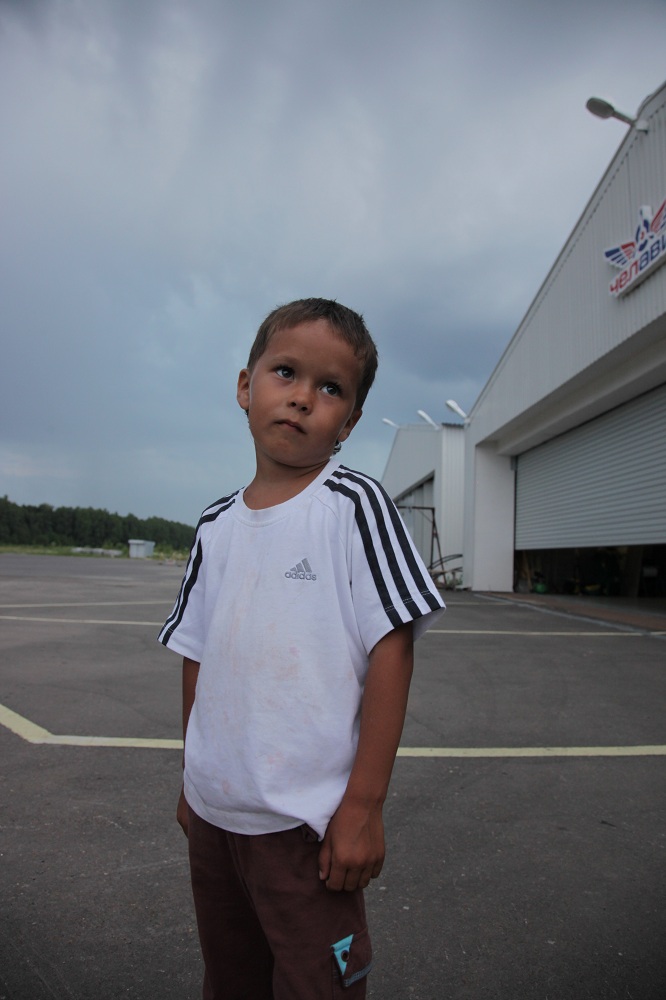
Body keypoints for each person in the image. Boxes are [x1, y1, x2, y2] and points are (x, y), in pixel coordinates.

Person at [158, 297, 445, 999]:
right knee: (231, 979)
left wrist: (363, 807)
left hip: (307, 829)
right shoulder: (215, 526)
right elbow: (198, 656)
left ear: (349, 422)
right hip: (215, 820)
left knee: (316, 985)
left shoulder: (353, 506)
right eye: (285, 372)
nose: (301, 397)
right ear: (245, 386)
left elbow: (393, 647)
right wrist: (193, 778)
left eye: (330, 388)